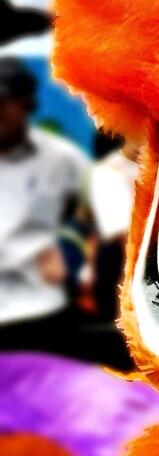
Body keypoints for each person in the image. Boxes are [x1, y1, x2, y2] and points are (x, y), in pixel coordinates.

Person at [0, 59, 90, 350]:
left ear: (25, 103)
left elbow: (93, 214)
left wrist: (70, 246)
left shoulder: (61, 159)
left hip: (39, 311)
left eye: (5, 101)